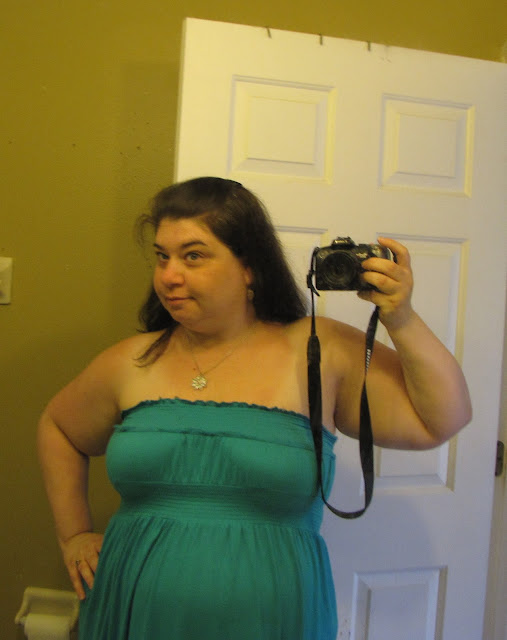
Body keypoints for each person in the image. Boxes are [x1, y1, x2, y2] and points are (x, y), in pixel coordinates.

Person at [37, 177, 472, 639]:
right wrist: (74, 536)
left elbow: (441, 419)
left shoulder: (319, 350)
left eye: (193, 256)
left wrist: (400, 317)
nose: (169, 276)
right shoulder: (131, 360)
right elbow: (59, 428)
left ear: (249, 267)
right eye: (162, 257)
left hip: (274, 618)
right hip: (131, 611)